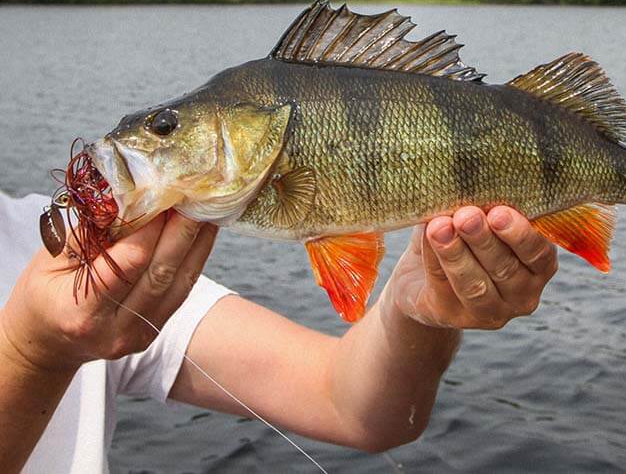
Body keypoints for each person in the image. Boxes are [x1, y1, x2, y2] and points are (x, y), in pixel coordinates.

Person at [0, 190, 558, 472]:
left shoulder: (45, 246)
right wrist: (32, 354)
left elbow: (349, 405)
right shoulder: (59, 287)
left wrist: (418, 308)